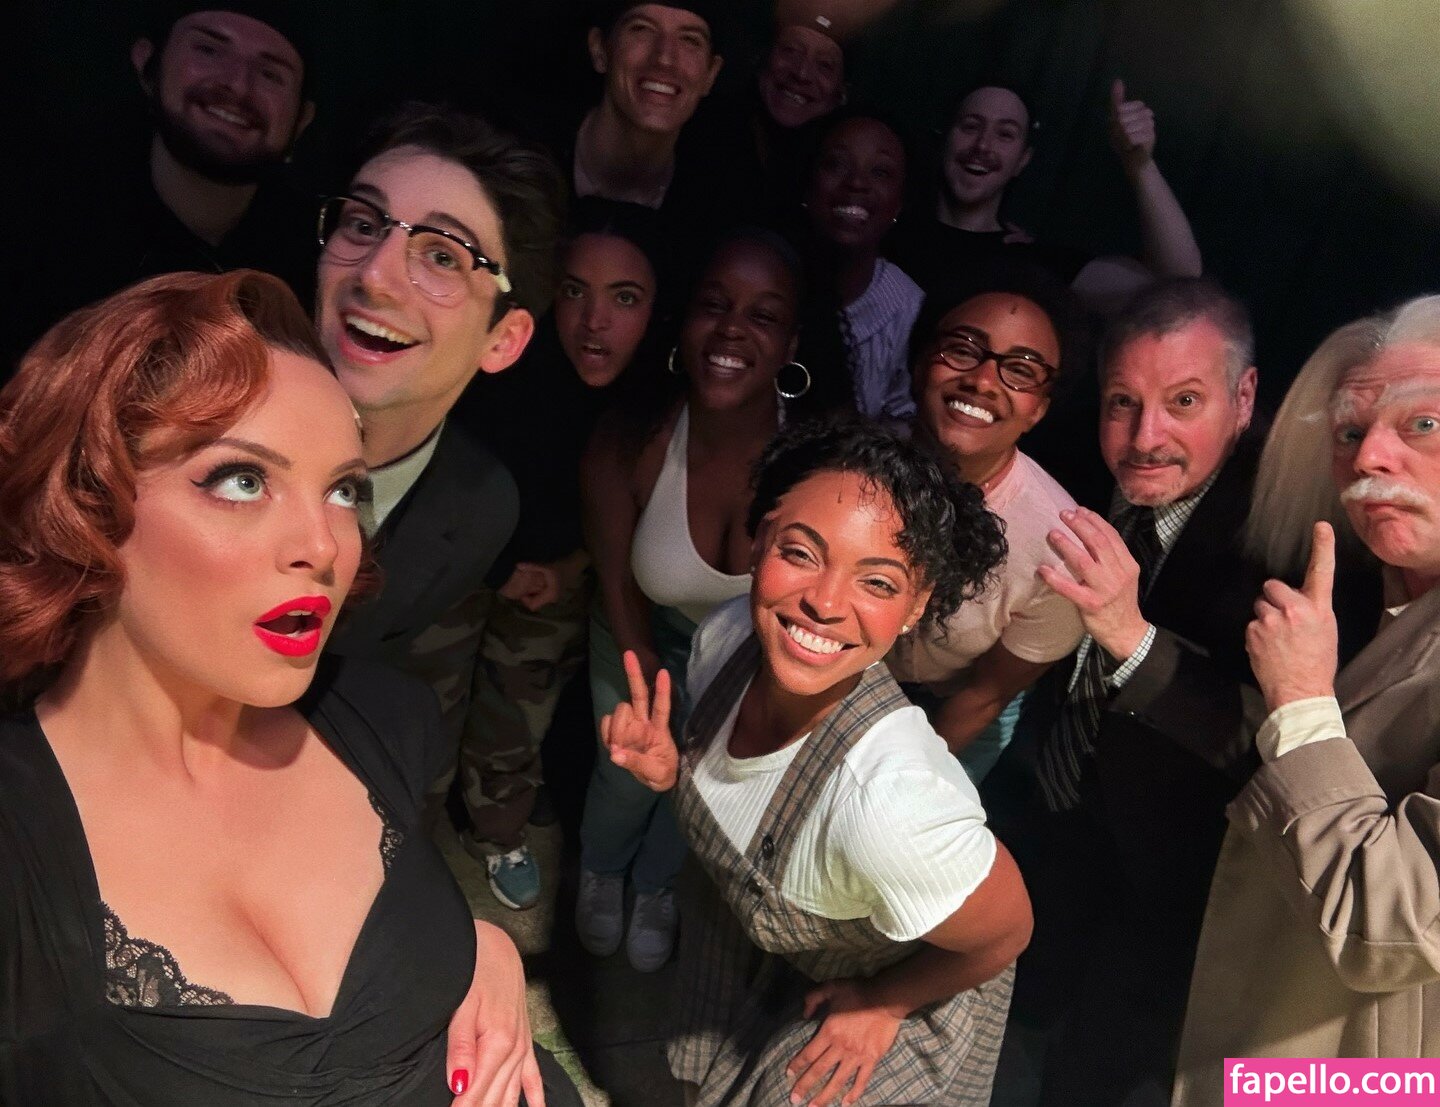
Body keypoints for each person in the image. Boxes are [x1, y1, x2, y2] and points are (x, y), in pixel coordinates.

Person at [0, 271, 575, 1106]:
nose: (325, 543)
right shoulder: (18, 847)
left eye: (344, 490)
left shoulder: (382, 715)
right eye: (242, 479)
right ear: (84, 500)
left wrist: (479, 944)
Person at [602, 417, 1030, 1106]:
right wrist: (672, 771)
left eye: (878, 583)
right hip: (761, 942)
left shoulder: (891, 801)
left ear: (917, 605)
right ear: (758, 541)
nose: (825, 604)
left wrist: (884, 1003)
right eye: (801, 552)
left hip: (909, 980)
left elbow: (1005, 934)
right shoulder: (726, 638)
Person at [983, 278, 1267, 1105]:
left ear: (1243, 399)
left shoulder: (1281, 532)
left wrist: (1132, 637)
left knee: (1093, 1069)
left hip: (1165, 866)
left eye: (1184, 401)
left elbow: (1269, 737)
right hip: (1050, 803)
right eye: (1124, 402)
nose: (1147, 437)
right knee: (1016, 1003)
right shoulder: (1074, 464)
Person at [1172, 295, 1440, 1104]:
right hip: (1276, 1043)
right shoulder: (1356, 592)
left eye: (1424, 424)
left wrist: (1300, 703)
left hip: (1369, 1077)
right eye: (1349, 432)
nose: (1370, 457)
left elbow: (1394, 924)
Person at [575, 229, 836, 972]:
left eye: (762, 316)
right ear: (684, 322)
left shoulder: (817, 456)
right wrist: (648, 681)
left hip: (750, 653)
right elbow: (617, 580)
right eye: (714, 306)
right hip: (638, 627)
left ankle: (657, 884)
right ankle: (601, 869)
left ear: (791, 344)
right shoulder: (632, 438)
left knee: (703, 782)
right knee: (627, 772)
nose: (730, 330)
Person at [315, 104, 567, 833]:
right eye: (363, 223)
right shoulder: (179, 423)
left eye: (444, 256)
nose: (376, 275)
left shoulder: (479, 509)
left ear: (504, 340)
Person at [453, 198, 668, 909]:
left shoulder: (651, 401)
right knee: (429, 705)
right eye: (575, 291)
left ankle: (497, 827)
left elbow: (625, 521)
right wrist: (493, 568)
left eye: (624, 298)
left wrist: (567, 569)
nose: (595, 320)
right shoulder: (500, 365)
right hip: (458, 564)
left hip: (558, 577)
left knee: (517, 714)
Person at [9, 5, 321, 377]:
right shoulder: (33, 222)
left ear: (301, 118)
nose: (238, 86)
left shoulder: (319, 261)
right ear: (147, 63)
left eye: (271, 74)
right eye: (208, 50)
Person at [888, 278, 1085, 783]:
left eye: (1020, 370)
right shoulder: (848, 464)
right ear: (921, 364)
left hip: (958, 707)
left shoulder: (1059, 549)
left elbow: (985, 695)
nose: (981, 381)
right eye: (962, 349)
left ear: (1039, 409)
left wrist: (907, 779)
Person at [891, 82, 1203, 318]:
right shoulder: (885, 233)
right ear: (944, 138)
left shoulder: (1036, 264)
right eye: (970, 126)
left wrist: (1140, 165)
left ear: (1022, 160)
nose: (983, 146)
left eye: (1005, 134)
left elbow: (1179, 283)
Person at [800, 110, 921, 423]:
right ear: (808, 183)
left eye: (880, 172)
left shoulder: (909, 310)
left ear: (900, 202)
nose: (856, 182)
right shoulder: (765, 278)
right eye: (836, 164)